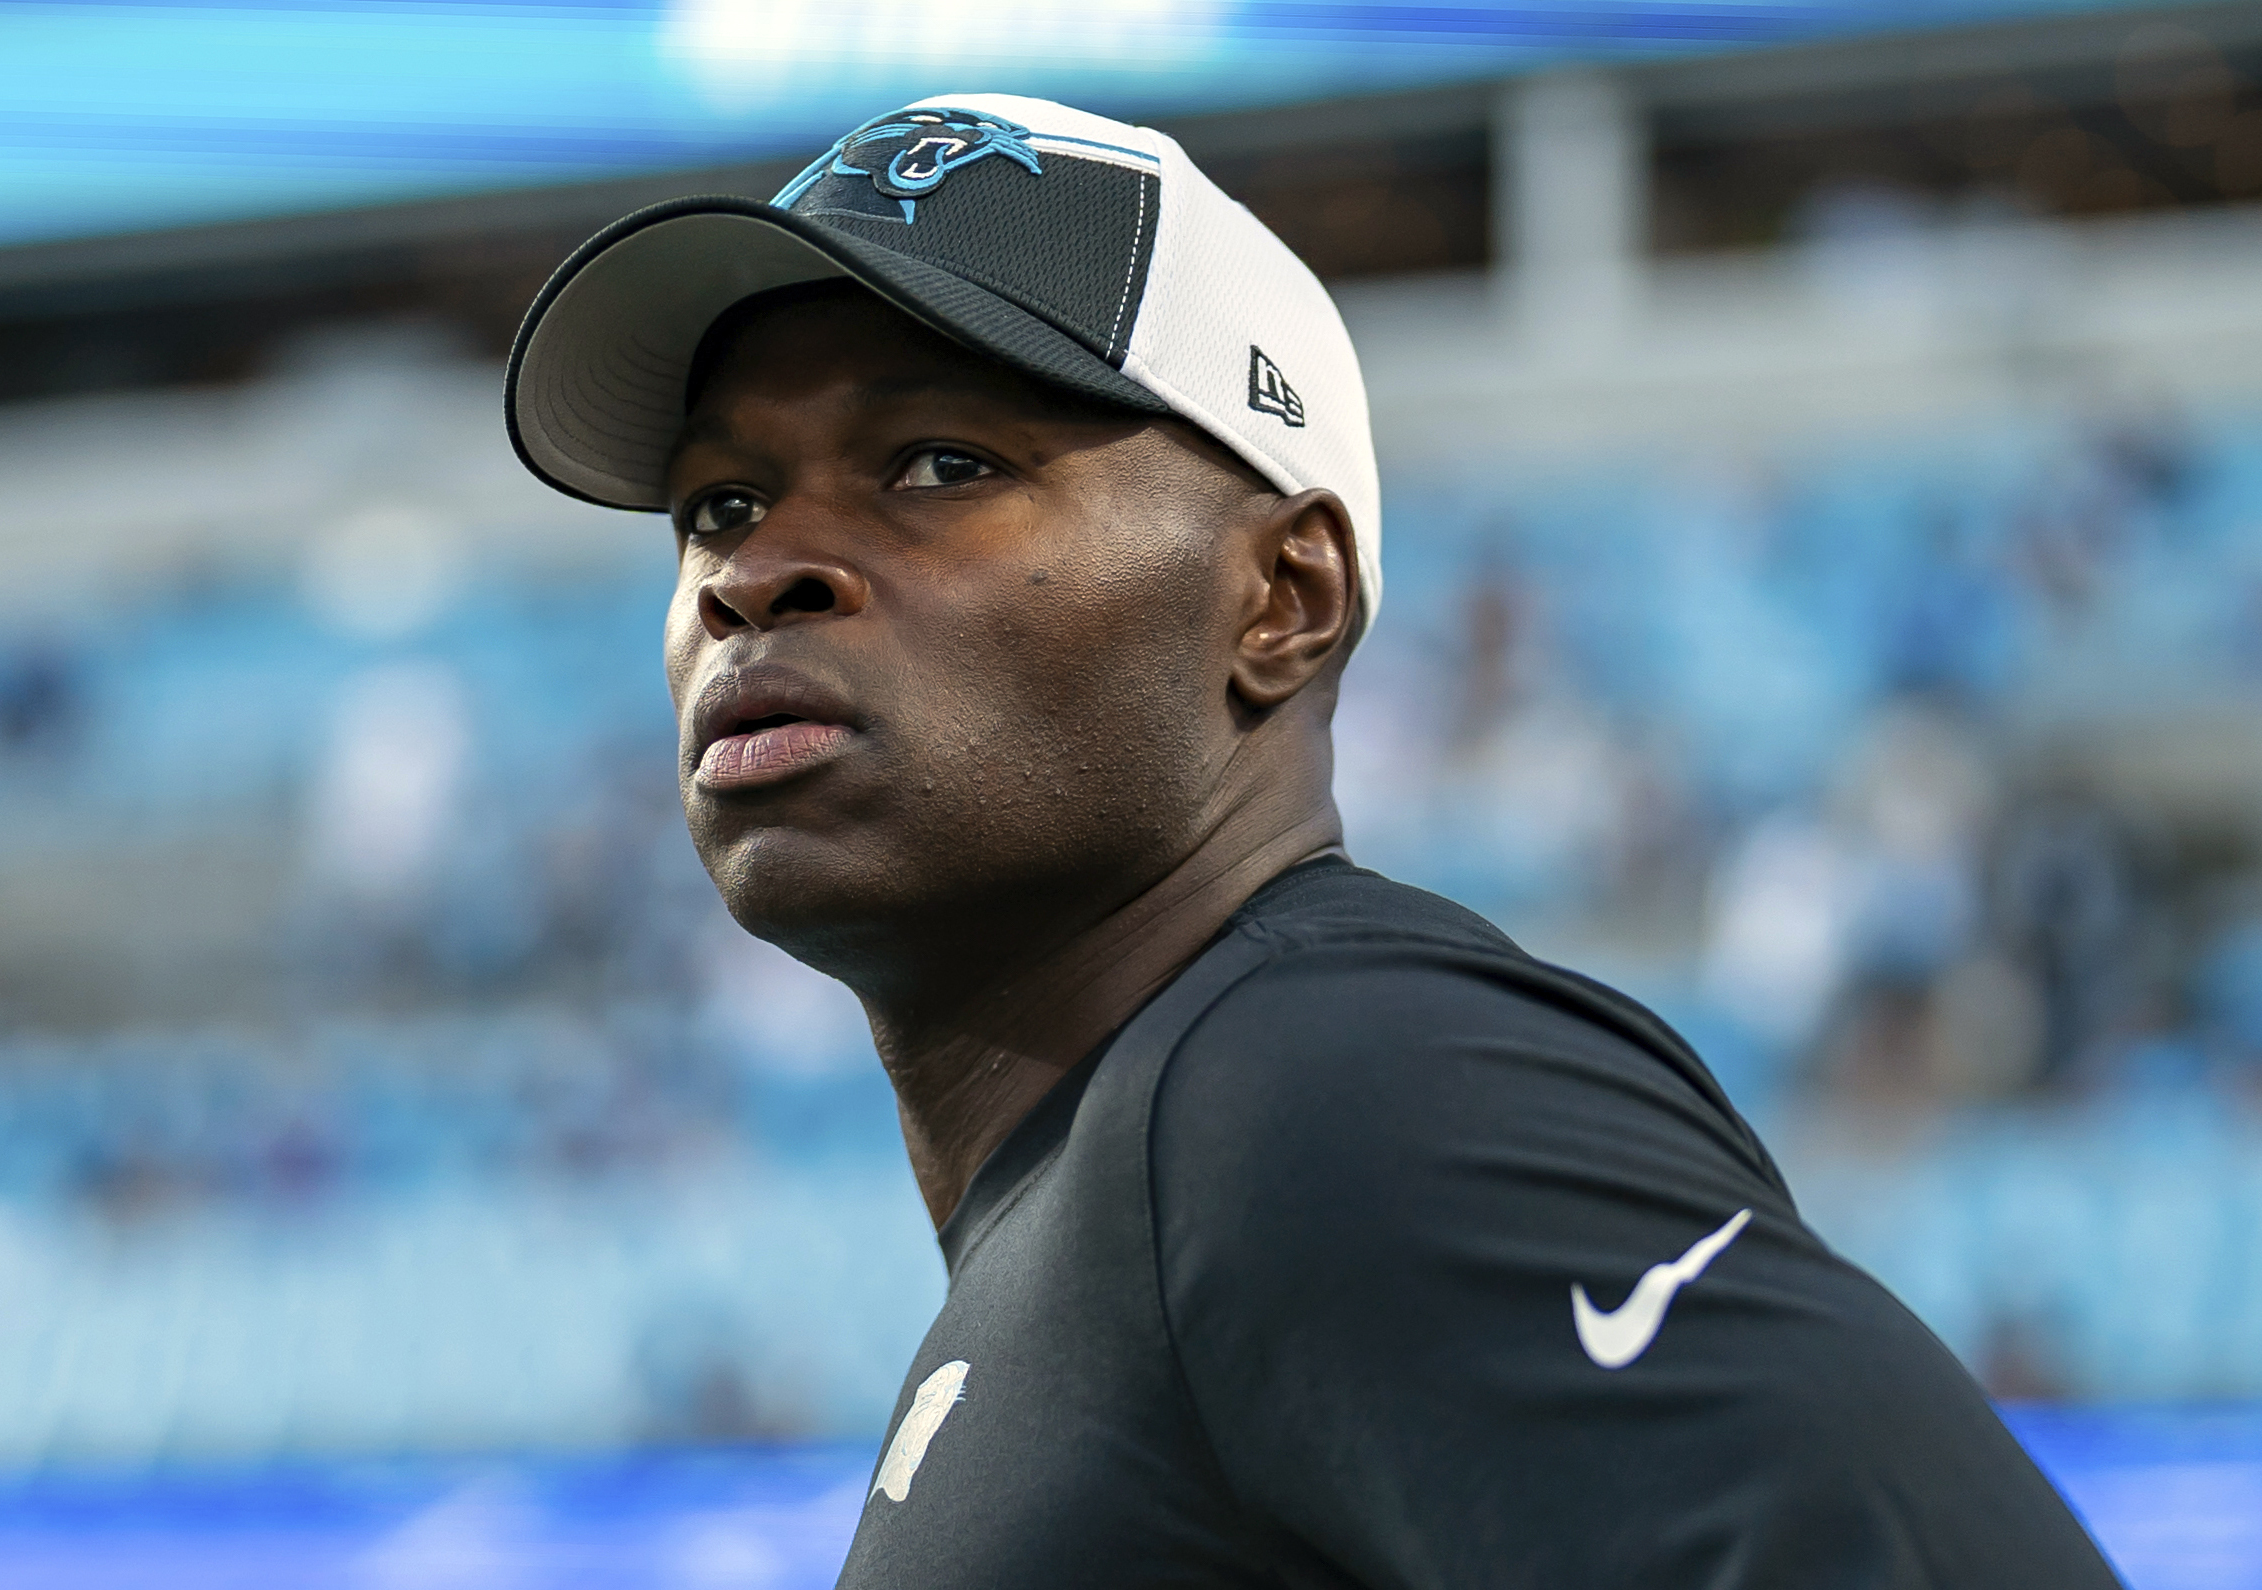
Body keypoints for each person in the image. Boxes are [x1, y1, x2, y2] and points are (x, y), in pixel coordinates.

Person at [506, 94, 2118, 1588]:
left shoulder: (1326, 1086)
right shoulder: (1148, 1171)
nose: (756, 572)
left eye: (942, 463)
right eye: (719, 505)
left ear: (1284, 598)